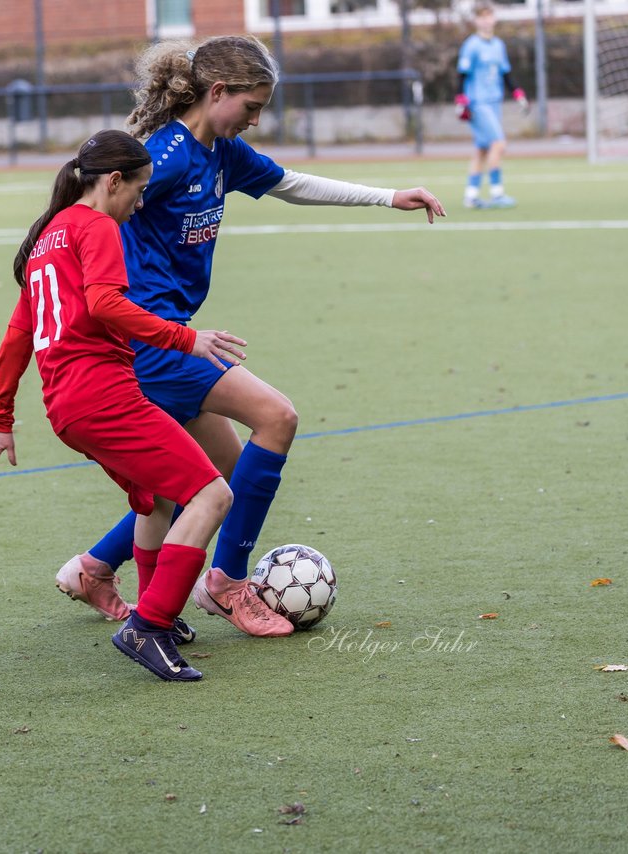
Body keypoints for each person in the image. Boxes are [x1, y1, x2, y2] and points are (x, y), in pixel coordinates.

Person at [52, 35, 446, 638]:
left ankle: (95, 567)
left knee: (213, 482)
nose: (258, 119)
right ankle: (226, 584)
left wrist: (387, 197)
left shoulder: (223, 153)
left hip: (173, 336)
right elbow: (94, 209)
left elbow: (292, 183)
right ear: (217, 93)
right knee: (276, 419)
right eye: (252, 105)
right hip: (153, 342)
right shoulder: (168, 155)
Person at [0, 129, 253, 682]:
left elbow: (15, 336)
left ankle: (157, 614)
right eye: (140, 189)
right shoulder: (96, 225)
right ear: (114, 181)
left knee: (155, 501)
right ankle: (148, 626)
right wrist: (184, 338)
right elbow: (105, 302)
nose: (141, 203)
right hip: (104, 396)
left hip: (67, 408)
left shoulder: (47, 236)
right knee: (214, 494)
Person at [455, 2, 528, 209]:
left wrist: (518, 93)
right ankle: (497, 194)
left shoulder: (498, 45)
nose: (487, 20)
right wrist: (460, 99)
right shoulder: (472, 45)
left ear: (494, 18)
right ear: (476, 20)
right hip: (478, 103)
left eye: (489, 16)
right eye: (482, 16)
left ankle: (471, 196)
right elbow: (462, 74)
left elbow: (505, 73)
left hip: (494, 102)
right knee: (498, 144)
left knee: (482, 149)